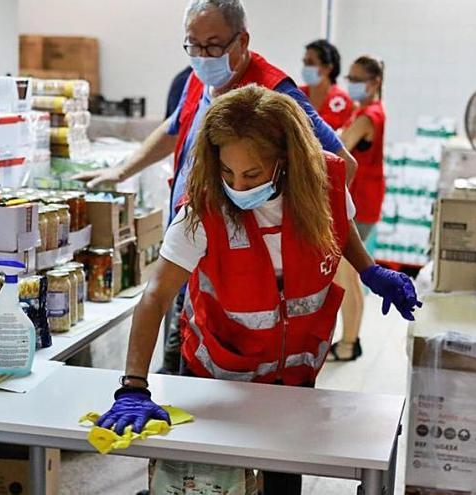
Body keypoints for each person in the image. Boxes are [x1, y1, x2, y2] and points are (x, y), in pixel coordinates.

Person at [94, 85, 419, 495]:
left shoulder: (324, 183)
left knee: (283, 479)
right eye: (228, 172)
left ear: (285, 160)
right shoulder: (203, 208)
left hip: (294, 379)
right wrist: (133, 387)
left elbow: (343, 221)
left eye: (252, 174)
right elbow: (156, 294)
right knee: (211, 484)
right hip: (217, 379)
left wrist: (369, 270)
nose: (239, 186)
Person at [73, 0, 359, 376]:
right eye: (193, 45)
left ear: (242, 41)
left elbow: (340, 168)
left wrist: (275, 225)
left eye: (213, 45)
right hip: (195, 243)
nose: (202, 56)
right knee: (184, 350)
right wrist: (121, 171)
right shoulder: (200, 79)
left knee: (217, 351)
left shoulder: (274, 96)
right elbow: (173, 129)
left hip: (239, 264)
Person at [329, 55, 388, 362]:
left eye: (356, 79)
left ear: (374, 82)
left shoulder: (370, 116)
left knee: (347, 276)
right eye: (348, 79)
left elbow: (339, 148)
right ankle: (350, 340)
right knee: (346, 275)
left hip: (361, 203)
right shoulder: (362, 111)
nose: (350, 85)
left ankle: (350, 343)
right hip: (360, 200)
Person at [299, 39, 353, 130]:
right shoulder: (296, 94)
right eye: (305, 62)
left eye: (311, 63)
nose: (306, 67)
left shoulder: (345, 102)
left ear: (328, 68)